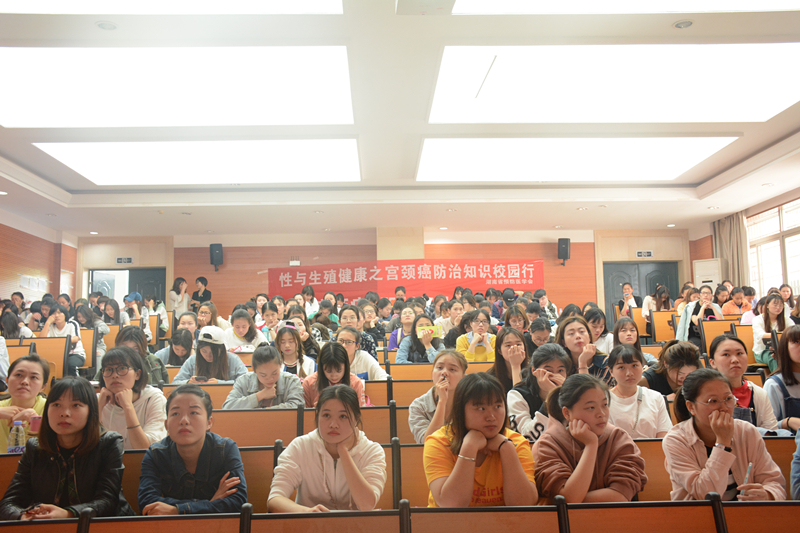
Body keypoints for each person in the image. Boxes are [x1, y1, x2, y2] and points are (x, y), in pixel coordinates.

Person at [0, 377, 134, 519]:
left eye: (76, 405)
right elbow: (8, 503)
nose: (64, 413)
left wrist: (68, 514)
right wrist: (23, 516)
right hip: (47, 526)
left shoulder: (109, 443)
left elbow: (107, 501)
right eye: (56, 405)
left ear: (91, 411)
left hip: (102, 526)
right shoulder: (35, 447)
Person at [662, 368, 786, 501]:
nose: (724, 407)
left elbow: (775, 483)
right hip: (700, 513)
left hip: (745, 512)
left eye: (728, 399)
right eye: (713, 401)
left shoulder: (746, 431)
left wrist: (767, 494)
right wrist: (722, 443)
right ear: (691, 407)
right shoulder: (676, 440)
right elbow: (706, 494)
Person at [423, 372, 537, 507]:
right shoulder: (439, 442)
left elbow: (524, 505)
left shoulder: (516, 442)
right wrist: (469, 447)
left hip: (502, 521)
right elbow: (451, 505)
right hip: (449, 521)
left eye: (498, 406)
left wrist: (507, 448)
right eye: (481, 408)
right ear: (461, 410)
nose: (491, 417)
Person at [268, 385, 386, 512]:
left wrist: (343, 452)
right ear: (317, 415)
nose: (333, 425)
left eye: (343, 416)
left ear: (356, 419)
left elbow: (366, 505)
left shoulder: (372, 451)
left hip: (356, 524)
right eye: (326, 415)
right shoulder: (301, 446)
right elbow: (275, 499)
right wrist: (307, 512)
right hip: (309, 523)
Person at [535, 373, 647, 503]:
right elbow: (569, 498)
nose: (601, 414)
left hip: (613, 516)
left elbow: (620, 495)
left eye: (605, 405)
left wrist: (575, 500)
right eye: (591, 407)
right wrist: (591, 445)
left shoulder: (618, 438)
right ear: (567, 413)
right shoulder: (548, 445)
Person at [138, 385, 247, 514]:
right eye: (175, 414)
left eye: (193, 413)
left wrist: (177, 510)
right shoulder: (155, 454)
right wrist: (211, 503)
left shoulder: (225, 449)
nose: (184, 421)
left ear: (209, 422)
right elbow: (147, 502)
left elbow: (238, 502)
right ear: (166, 425)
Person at [707, 334, 783, 435]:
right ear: (712, 362)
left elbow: (772, 433)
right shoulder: (707, 395)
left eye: (739, 353)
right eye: (726, 354)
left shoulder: (759, 393)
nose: (735, 360)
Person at [97, 346, 167, 449]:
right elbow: (85, 447)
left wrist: (128, 407)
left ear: (137, 374)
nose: (115, 375)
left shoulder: (154, 399)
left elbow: (146, 450)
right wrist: (98, 407)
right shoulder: (97, 400)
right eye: (109, 370)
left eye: (122, 368)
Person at [508, 344, 572, 446]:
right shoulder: (517, 395)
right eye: (548, 370)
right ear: (534, 370)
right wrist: (551, 397)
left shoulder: (571, 391)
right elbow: (527, 437)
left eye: (560, 371)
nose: (554, 376)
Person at [607, 345, 672, 439]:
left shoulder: (655, 397)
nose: (629, 373)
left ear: (642, 367)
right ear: (611, 371)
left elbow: (663, 436)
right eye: (621, 367)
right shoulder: (604, 400)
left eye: (634, 366)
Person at [408, 350, 468, 444]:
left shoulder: (470, 402)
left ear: (463, 378)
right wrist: (442, 401)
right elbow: (428, 443)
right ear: (432, 374)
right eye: (439, 367)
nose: (444, 373)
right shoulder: (418, 406)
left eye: (452, 369)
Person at [222, 345, 304, 409]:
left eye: (274, 373)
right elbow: (228, 407)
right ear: (254, 370)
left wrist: (266, 411)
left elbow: (298, 406)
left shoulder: (291, 381)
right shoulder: (243, 381)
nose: (270, 379)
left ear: (280, 364)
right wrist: (259, 396)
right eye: (263, 375)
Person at [0, 353, 49, 451]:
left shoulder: (51, 408)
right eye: (18, 375)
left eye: (34, 377)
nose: (25, 382)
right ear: (7, 380)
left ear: (43, 387)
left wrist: (36, 421)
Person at [172, 326, 248, 385]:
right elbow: (175, 383)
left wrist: (220, 383)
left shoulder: (233, 359)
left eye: (213, 353)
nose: (208, 356)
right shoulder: (192, 360)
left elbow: (246, 382)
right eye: (204, 351)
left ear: (221, 350)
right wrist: (188, 382)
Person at [303, 342, 366, 407]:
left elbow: (360, 412)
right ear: (321, 368)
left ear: (346, 366)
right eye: (329, 371)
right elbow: (305, 412)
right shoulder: (309, 383)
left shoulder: (355, 383)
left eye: (339, 371)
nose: (334, 375)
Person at [556, 316, 612, 386]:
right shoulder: (560, 364)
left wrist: (582, 362)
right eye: (571, 333)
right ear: (564, 342)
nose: (578, 336)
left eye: (582, 332)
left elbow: (588, 392)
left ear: (589, 336)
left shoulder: (605, 362)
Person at [764, 325, 800, 433]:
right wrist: (788, 422)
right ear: (785, 347)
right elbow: (767, 429)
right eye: (796, 342)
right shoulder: (774, 384)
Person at [39, 303, 85, 377]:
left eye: (59, 313)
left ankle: (75, 382)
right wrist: (47, 323)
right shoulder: (50, 326)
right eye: (54, 313)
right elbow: (41, 340)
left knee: (69, 364)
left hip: (75, 354)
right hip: (57, 355)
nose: (56, 315)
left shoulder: (72, 324)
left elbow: (75, 338)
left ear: (65, 314)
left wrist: (57, 342)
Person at [753, 293, 792, 372]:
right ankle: (778, 378)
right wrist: (777, 336)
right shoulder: (758, 319)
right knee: (775, 359)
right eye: (775, 305)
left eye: (781, 305)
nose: (778, 308)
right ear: (767, 305)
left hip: (782, 350)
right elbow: (761, 335)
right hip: (763, 351)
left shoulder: (786, 320)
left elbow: (793, 331)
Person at [676, 285, 723, 349]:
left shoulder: (715, 306)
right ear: (699, 295)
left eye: (708, 293)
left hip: (712, 334)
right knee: (700, 344)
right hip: (695, 335)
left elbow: (721, 322)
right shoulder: (692, 306)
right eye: (703, 293)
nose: (705, 295)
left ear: (712, 296)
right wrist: (703, 308)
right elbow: (697, 322)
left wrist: (713, 308)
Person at [487, 327, 528, 393]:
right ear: (499, 351)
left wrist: (516, 366)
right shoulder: (491, 378)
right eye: (508, 345)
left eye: (518, 344)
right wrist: (515, 365)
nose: (514, 348)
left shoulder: (532, 372)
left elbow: (521, 398)